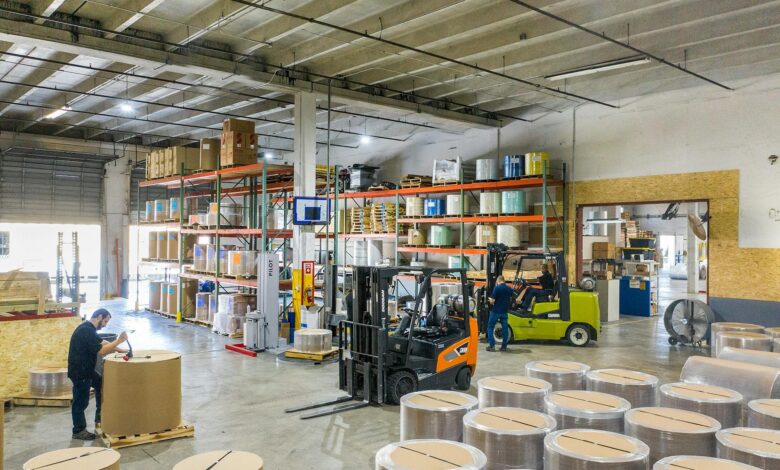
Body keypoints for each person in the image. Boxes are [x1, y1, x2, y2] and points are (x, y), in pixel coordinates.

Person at [67, 309, 127, 440]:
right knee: (80, 402)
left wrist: (121, 350)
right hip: (80, 372)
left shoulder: (89, 328)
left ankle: (99, 416)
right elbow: (102, 350)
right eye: (105, 321)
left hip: (86, 369)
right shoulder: (86, 330)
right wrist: (119, 340)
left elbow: (103, 342)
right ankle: (78, 430)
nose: (105, 324)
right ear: (99, 316)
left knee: (100, 383)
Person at [486, 275, 514, 352]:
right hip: (504, 312)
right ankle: (504, 347)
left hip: (496, 311)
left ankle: (492, 346)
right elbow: (512, 297)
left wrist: (490, 300)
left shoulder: (497, 288)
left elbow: (492, 301)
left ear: (498, 281)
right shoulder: (509, 288)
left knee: (490, 327)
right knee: (505, 328)